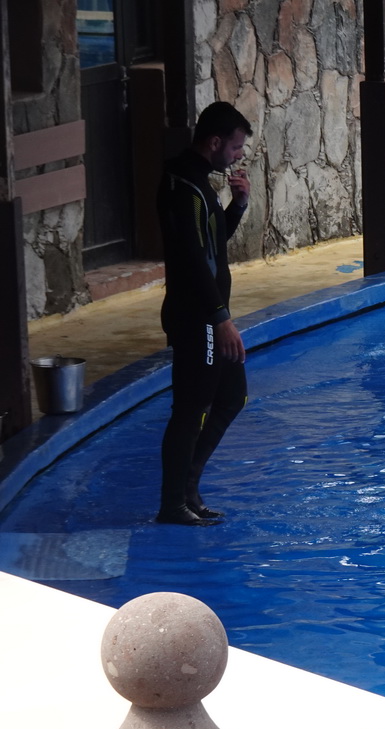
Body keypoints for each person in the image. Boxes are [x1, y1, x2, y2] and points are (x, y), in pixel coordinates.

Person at [155, 102, 252, 526]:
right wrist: (221, 318)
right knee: (191, 407)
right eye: (234, 146)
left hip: (208, 316)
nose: (238, 155)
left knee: (233, 396)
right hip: (197, 317)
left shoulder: (201, 184)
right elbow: (193, 259)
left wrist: (238, 205)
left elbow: (213, 244)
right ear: (214, 142)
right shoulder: (183, 187)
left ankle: (189, 488)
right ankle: (173, 503)